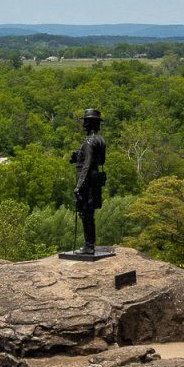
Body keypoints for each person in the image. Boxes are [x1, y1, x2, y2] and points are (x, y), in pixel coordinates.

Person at [66, 108, 107, 256]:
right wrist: (79, 155)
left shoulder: (89, 141)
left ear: (91, 123)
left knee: (86, 214)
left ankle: (89, 246)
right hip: (95, 180)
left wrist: (79, 185)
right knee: (89, 213)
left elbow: (88, 164)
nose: (84, 124)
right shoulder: (100, 140)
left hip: (88, 181)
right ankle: (89, 245)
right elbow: (100, 160)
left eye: (86, 121)